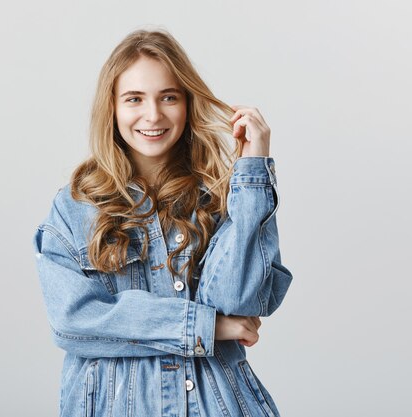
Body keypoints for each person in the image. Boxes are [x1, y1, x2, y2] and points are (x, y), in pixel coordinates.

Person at [32, 28, 293, 417]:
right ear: (113, 107)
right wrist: (206, 326)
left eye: (168, 97)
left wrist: (251, 171)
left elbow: (242, 302)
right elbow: (74, 320)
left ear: (187, 104)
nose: (152, 115)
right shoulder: (75, 207)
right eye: (134, 99)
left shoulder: (219, 196)